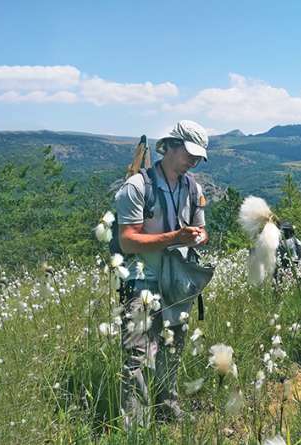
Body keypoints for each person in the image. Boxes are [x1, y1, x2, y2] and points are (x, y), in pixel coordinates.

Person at [114, 120, 210, 426]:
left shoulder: (192, 187)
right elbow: (127, 240)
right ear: (169, 145)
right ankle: (135, 425)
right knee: (137, 354)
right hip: (141, 280)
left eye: (197, 157)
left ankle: (167, 410)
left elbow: (202, 229)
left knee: (172, 346)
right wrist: (173, 238)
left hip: (177, 282)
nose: (193, 160)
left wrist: (197, 237)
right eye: (189, 153)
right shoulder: (137, 187)